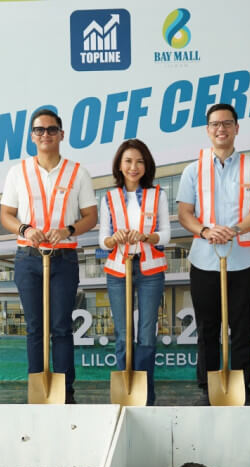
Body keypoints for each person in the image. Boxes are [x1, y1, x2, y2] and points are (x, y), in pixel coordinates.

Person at [0, 109, 98, 403]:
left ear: (62, 135)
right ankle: (38, 390)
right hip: (28, 257)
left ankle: (65, 392)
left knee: (60, 327)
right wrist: (24, 228)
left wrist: (68, 230)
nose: (45, 135)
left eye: (51, 130)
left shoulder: (78, 172)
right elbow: (5, 214)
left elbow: (90, 216)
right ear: (32, 135)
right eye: (39, 130)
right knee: (34, 328)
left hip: (63, 258)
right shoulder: (18, 172)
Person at [177, 103, 250, 405]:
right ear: (208, 130)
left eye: (227, 123)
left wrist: (236, 228)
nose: (221, 129)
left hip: (242, 259)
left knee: (242, 326)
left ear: (236, 128)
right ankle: (208, 387)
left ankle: (243, 386)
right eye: (215, 124)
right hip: (204, 260)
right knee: (207, 327)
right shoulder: (193, 170)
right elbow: (184, 213)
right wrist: (205, 231)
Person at [99, 139, 171, 406]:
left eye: (139, 161)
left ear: (146, 165)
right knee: (123, 334)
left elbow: (166, 234)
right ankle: (125, 393)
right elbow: (102, 239)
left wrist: (146, 236)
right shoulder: (109, 197)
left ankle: (146, 396)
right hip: (118, 269)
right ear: (120, 164)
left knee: (147, 333)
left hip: (150, 268)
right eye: (128, 161)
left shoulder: (158, 194)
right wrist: (114, 239)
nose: (133, 166)